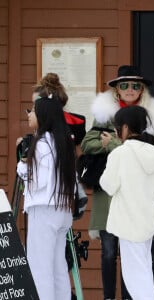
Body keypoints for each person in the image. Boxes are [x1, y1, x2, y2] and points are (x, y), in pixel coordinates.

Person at [81, 65, 154, 300]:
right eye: (124, 85)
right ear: (116, 90)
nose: (130, 89)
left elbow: (110, 182)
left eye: (135, 85)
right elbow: (88, 142)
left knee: (133, 270)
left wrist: (114, 145)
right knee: (132, 262)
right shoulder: (107, 115)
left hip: (124, 211)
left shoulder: (145, 122)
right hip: (144, 214)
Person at [100, 105, 154, 300]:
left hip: (128, 223)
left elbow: (108, 185)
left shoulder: (120, 154)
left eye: (116, 128)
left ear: (124, 128)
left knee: (135, 278)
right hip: (148, 221)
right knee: (144, 272)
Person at [17, 94, 76, 300]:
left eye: (32, 110)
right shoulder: (64, 143)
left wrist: (22, 165)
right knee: (58, 267)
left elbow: (37, 180)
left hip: (43, 210)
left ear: (43, 115)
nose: (29, 114)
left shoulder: (41, 144)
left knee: (40, 268)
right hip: (62, 209)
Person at [32, 73, 87, 219]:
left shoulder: (75, 121)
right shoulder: (40, 123)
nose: (33, 110)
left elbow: (79, 151)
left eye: (36, 105)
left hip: (63, 182)